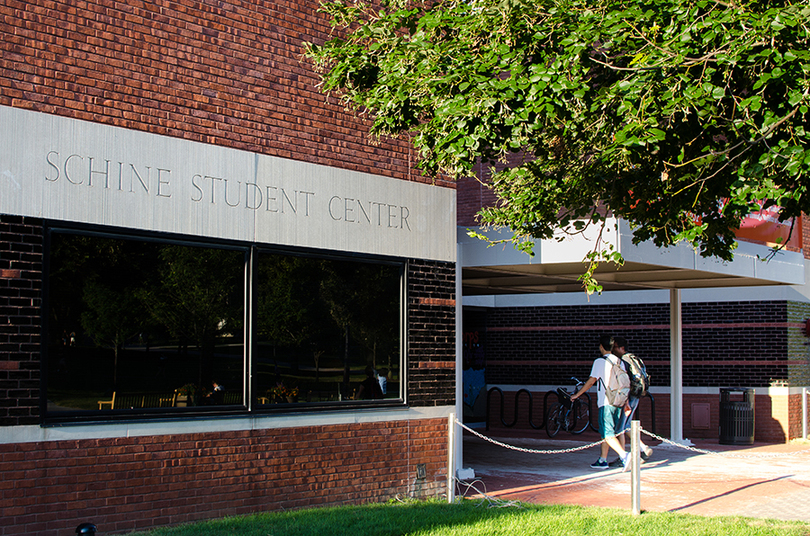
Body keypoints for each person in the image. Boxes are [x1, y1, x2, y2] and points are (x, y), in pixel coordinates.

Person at [571, 335, 631, 471]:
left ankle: (624, 456)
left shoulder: (600, 361)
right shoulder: (619, 361)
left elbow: (592, 380)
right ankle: (602, 460)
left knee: (608, 433)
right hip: (618, 401)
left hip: (606, 401)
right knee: (610, 432)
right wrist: (626, 402)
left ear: (601, 347)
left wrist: (577, 394)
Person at [609, 336, 653, 467]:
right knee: (627, 426)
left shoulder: (623, 361)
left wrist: (625, 400)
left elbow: (625, 381)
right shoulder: (634, 358)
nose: (613, 350)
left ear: (622, 348)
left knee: (620, 428)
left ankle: (622, 457)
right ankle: (643, 448)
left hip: (628, 396)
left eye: (615, 347)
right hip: (637, 394)